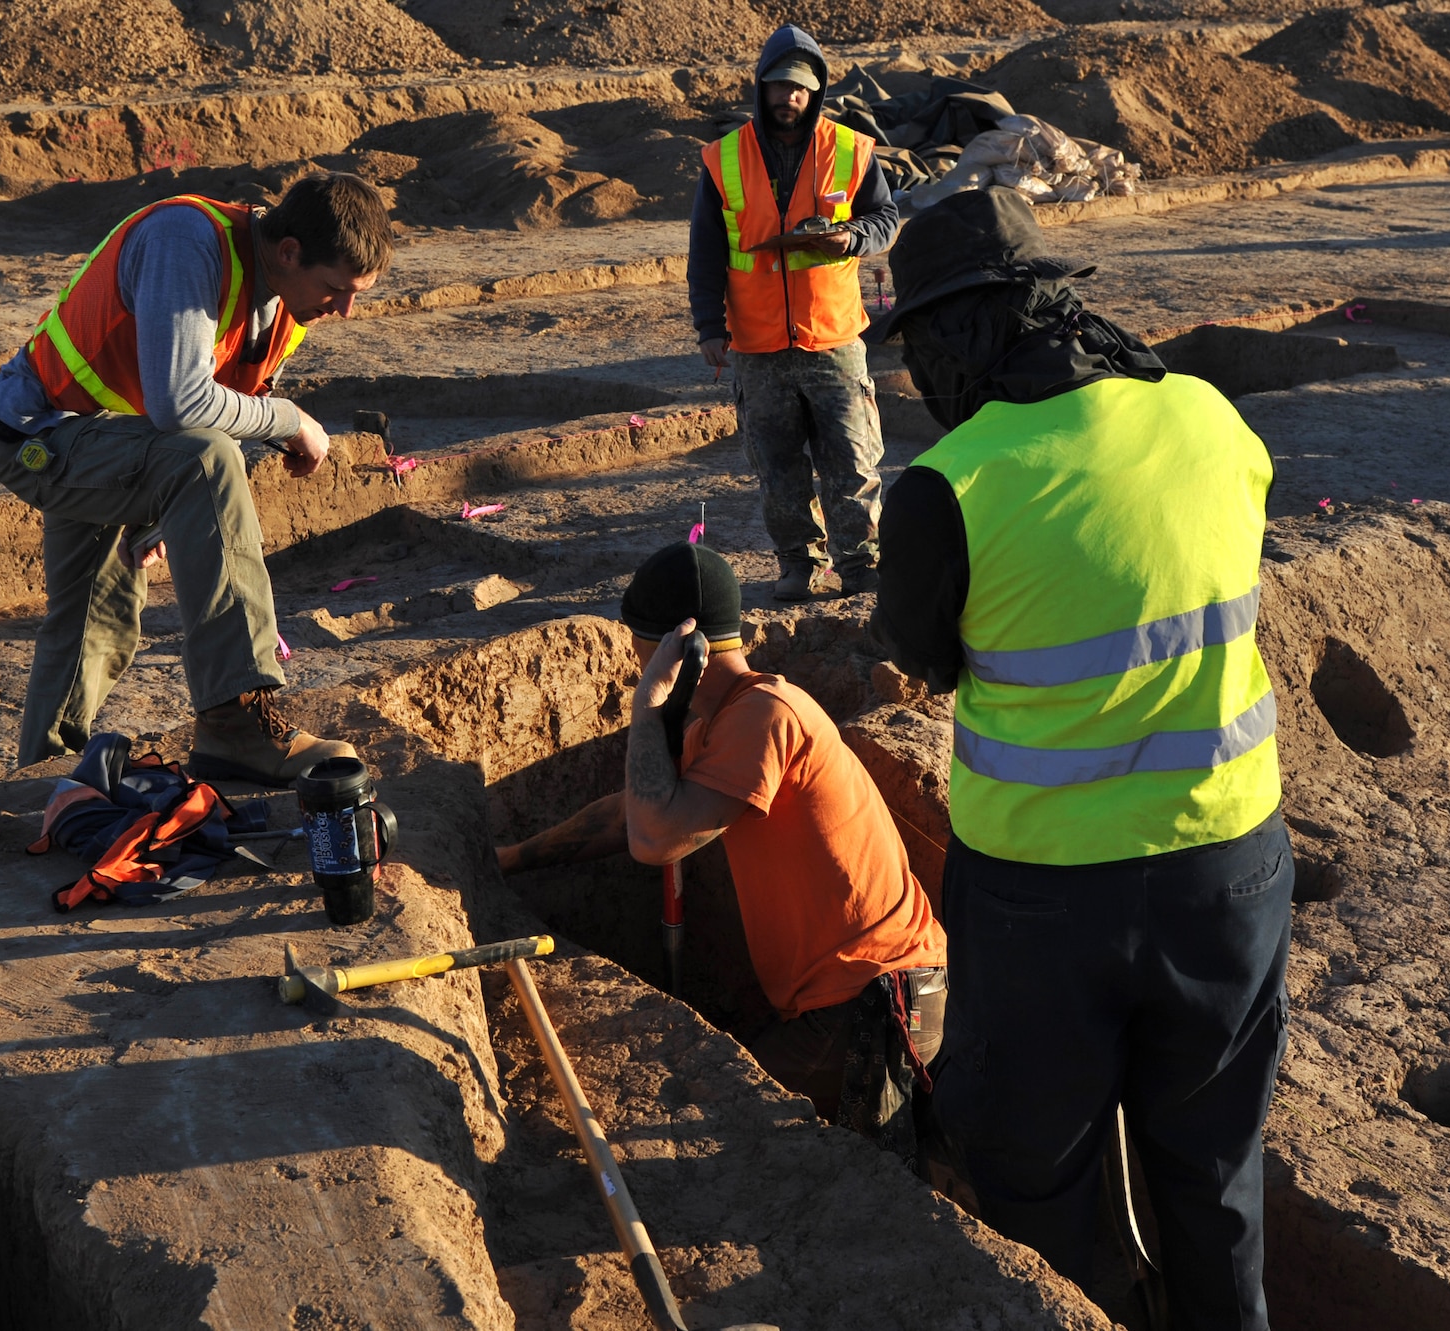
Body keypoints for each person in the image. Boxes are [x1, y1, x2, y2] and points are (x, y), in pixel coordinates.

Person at [867, 187, 1294, 1328]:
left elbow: (928, 658)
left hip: (1041, 901)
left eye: (917, 346)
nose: (913, 378)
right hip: (1230, 869)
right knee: (1213, 1170)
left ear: (959, 332)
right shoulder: (1210, 417)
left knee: (1038, 1184)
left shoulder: (948, 486)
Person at [497, 542, 947, 1149]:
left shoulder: (767, 715)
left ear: (678, 650)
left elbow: (656, 841)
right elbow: (636, 812)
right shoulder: (727, 719)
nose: (638, 670)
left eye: (642, 656)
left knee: (722, 1124)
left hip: (876, 1005)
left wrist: (648, 707)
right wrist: (508, 860)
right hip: (865, 997)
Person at [0, 173, 389, 784]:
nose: (345, 309)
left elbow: (219, 405)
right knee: (202, 463)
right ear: (290, 250)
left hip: (113, 444)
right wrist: (290, 420)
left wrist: (172, 509)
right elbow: (180, 406)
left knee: (101, 613)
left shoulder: (283, 298)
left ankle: (47, 780)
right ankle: (235, 722)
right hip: (44, 436)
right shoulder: (185, 240)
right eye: (337, 288)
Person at [688, 25, 900, 602]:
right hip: (757, 347)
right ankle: (798, 564)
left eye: (801, 89)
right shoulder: (724, 159)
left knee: (852, 460)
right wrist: (710, 326)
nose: (790, 98)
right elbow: (705, 252)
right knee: (777, 467)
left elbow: (886, 220)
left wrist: (852, 238)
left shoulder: (851, 150)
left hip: (832, 337)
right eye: (780, 87)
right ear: (762, 89)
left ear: (817, 91)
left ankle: (859, 565)